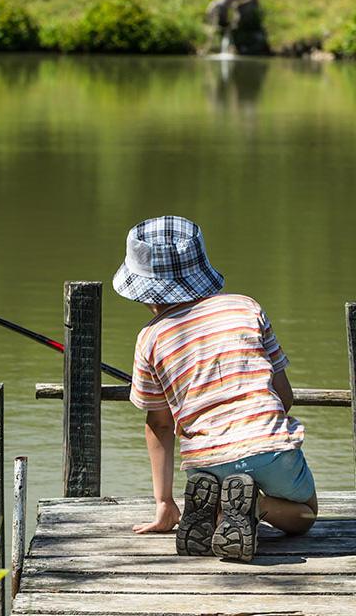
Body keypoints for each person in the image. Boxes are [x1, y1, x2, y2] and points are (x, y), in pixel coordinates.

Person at [113, 216, 317, 562]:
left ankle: (220, 508)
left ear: (144, 292)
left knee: (222, 499)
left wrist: (164, 503)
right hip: (268, 443)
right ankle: (257, 505)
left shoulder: (150, 338)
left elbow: (159, 425)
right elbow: (285, 397)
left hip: (205, 458)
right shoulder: (246, 307)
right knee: (304, 515)